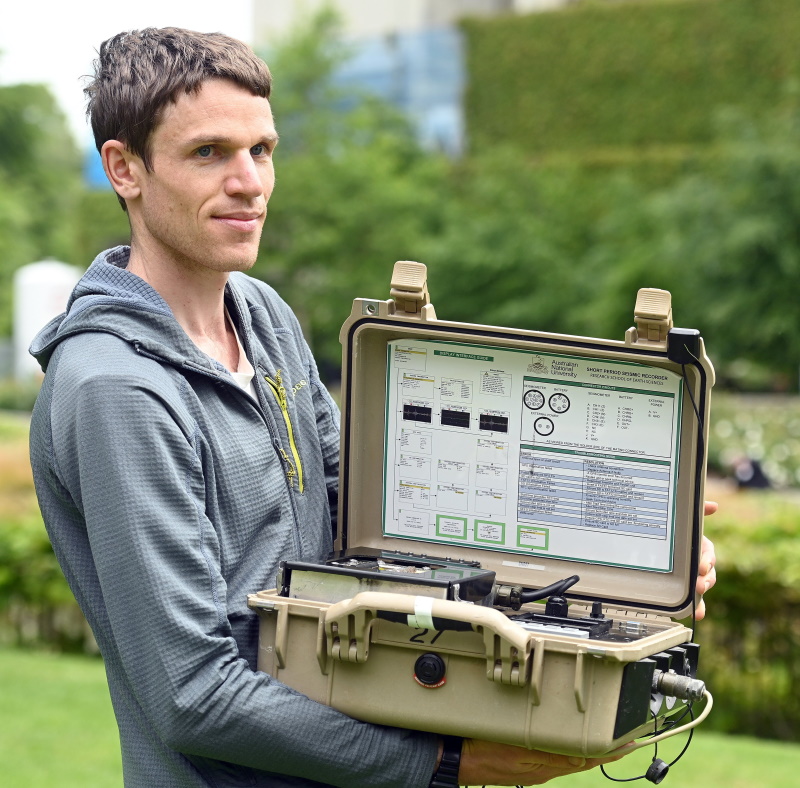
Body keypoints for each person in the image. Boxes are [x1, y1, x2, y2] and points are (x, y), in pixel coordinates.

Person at [28, 27, 716, 788]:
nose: (250, 181)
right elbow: (192, 693)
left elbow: (372, 521)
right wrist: (445, 766)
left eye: (263, 150)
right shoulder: (118, 388)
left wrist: (629, 555)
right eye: (208, 153)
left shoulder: (261, 315)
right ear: (124, 169)